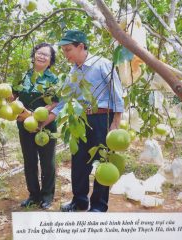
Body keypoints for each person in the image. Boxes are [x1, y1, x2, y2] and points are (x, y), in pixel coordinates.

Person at [43, 30, 124, 212]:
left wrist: (116, 122)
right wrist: (46, 120)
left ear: (81, 47)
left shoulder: (102, 64)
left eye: (68, 49)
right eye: (63, 50)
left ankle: (98, 205)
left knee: (103, 161)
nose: (65, 54)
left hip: (102, 118)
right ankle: (79, 201)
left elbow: (117, 94)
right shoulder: (72, 71)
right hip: (79, 120)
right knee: (79, 162)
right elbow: (64, 100)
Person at [14, 43, 59, 210]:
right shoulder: (23, 76)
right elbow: (13, 95)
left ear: (50, 61)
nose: (41, 56)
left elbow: (56, 102)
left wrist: (38, 115)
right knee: (30, 161)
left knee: (47, 162)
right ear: (34, 56)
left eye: (46, 55)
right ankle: (33, 195)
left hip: (46, 125)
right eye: (39, 53)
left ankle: (47, 196)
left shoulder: (53, 79)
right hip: (24, 124)